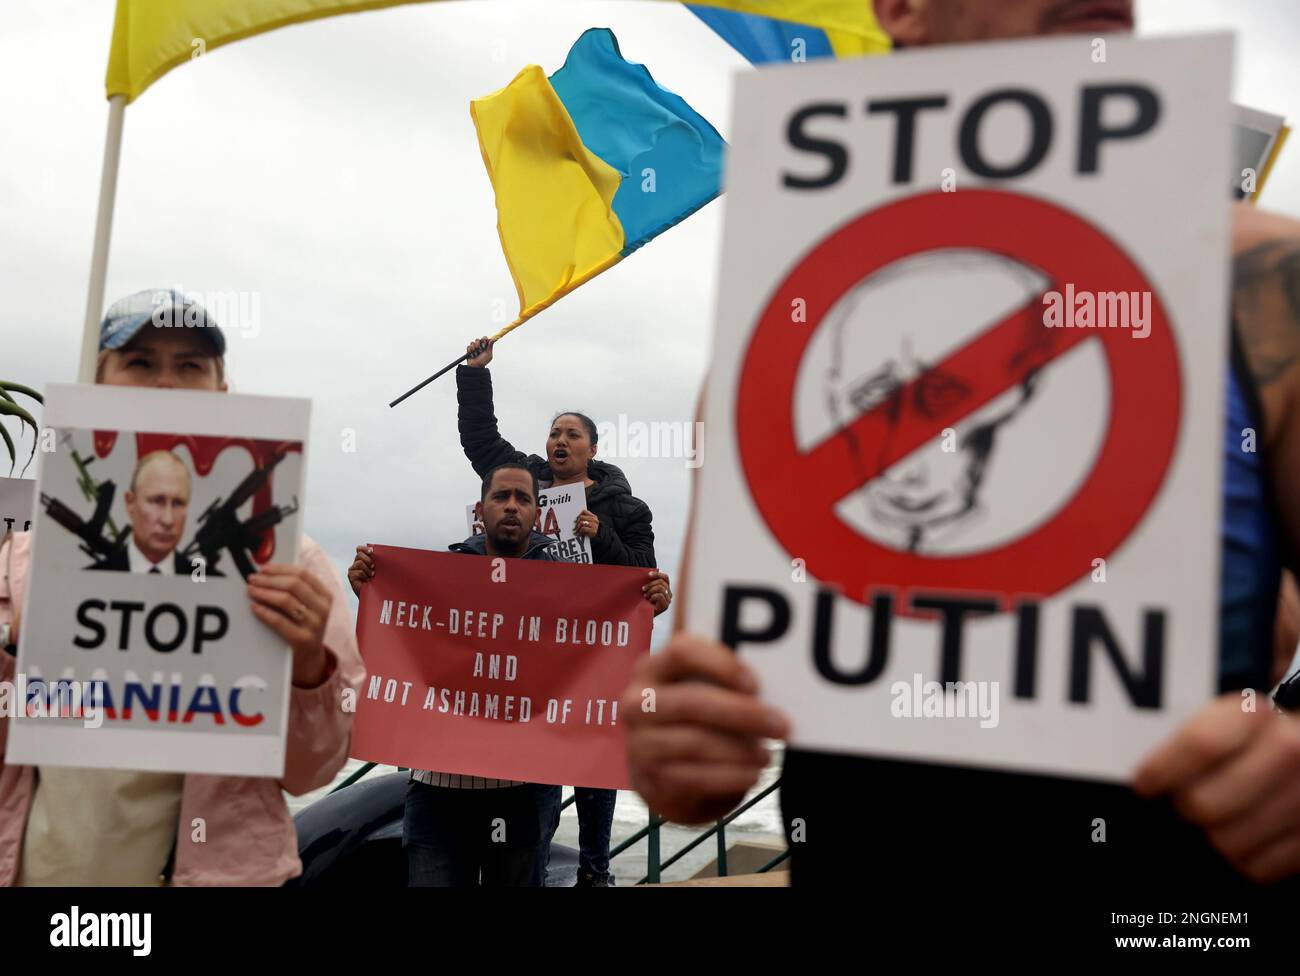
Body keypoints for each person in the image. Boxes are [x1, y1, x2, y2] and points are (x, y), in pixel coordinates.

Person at [621, 0, 1300, 895]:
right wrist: (672, 740)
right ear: (901, 9)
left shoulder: (1262, 285)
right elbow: (703, 700)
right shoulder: (781, 331)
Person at [0, 289, 364, 886]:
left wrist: (306, 669)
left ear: (223, 392)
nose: (165, 385)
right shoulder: (21, 563)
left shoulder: (292, 569)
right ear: (98, 384)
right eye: (140, 362)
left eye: (190, 366)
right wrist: (11, 646)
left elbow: (312, 772)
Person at [348, 462, 670, 886]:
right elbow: (404, 642)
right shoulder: (444, 573)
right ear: (481, 510)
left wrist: (645, 608)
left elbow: (597, 645)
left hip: (523, 795)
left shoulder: (568, 584)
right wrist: (370, 591)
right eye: (501, 497)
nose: (512, 506)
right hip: (437, 793)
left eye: (523, 498)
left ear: (538, 513)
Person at [456, 335, 669, 886]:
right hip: (537, 660)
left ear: (591, 449)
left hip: (597, 660)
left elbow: (644, 582)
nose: (559, 440)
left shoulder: (626, 506)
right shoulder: (525, 485)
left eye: (572, 434)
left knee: (595, 776)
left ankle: (596, 875)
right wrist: (475, 376)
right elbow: (481, 441)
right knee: (540, 772)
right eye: (554, 432)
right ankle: (535, 871)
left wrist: (602, 540)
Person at [85, 450, 219, 575]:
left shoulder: (198, 575)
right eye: (156, 501)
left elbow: (205, 587)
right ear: (131, 503)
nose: (168, 520)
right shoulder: (95, 577)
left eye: (178, 503)